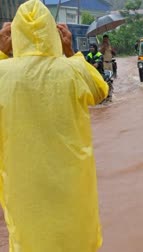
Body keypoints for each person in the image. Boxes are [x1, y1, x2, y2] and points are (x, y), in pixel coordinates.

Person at [0, 0, 108, 251]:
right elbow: (100, 91)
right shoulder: (72, 70)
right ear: (54, 33)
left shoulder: (2, 74)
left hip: (26, 195)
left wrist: (2, 51)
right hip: (72, 194)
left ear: (15, 34)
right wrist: (69, 50)